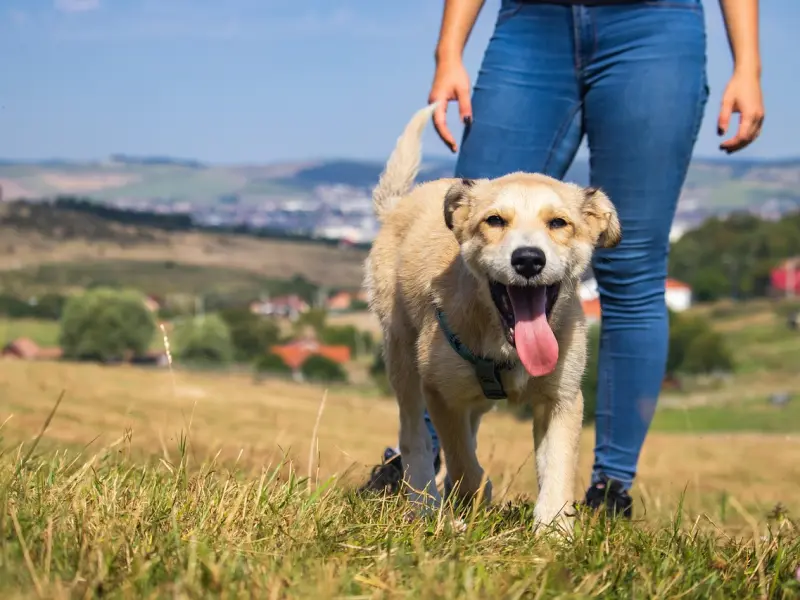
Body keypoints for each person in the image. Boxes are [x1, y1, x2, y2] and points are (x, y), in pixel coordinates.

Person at [361, 0, 764, 517]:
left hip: (656, 26)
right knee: (479, 224)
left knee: (633, 262)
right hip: (532, 23)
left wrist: (748, 63)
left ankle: (607, 490)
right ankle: (430, 459)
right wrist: (449, 51)